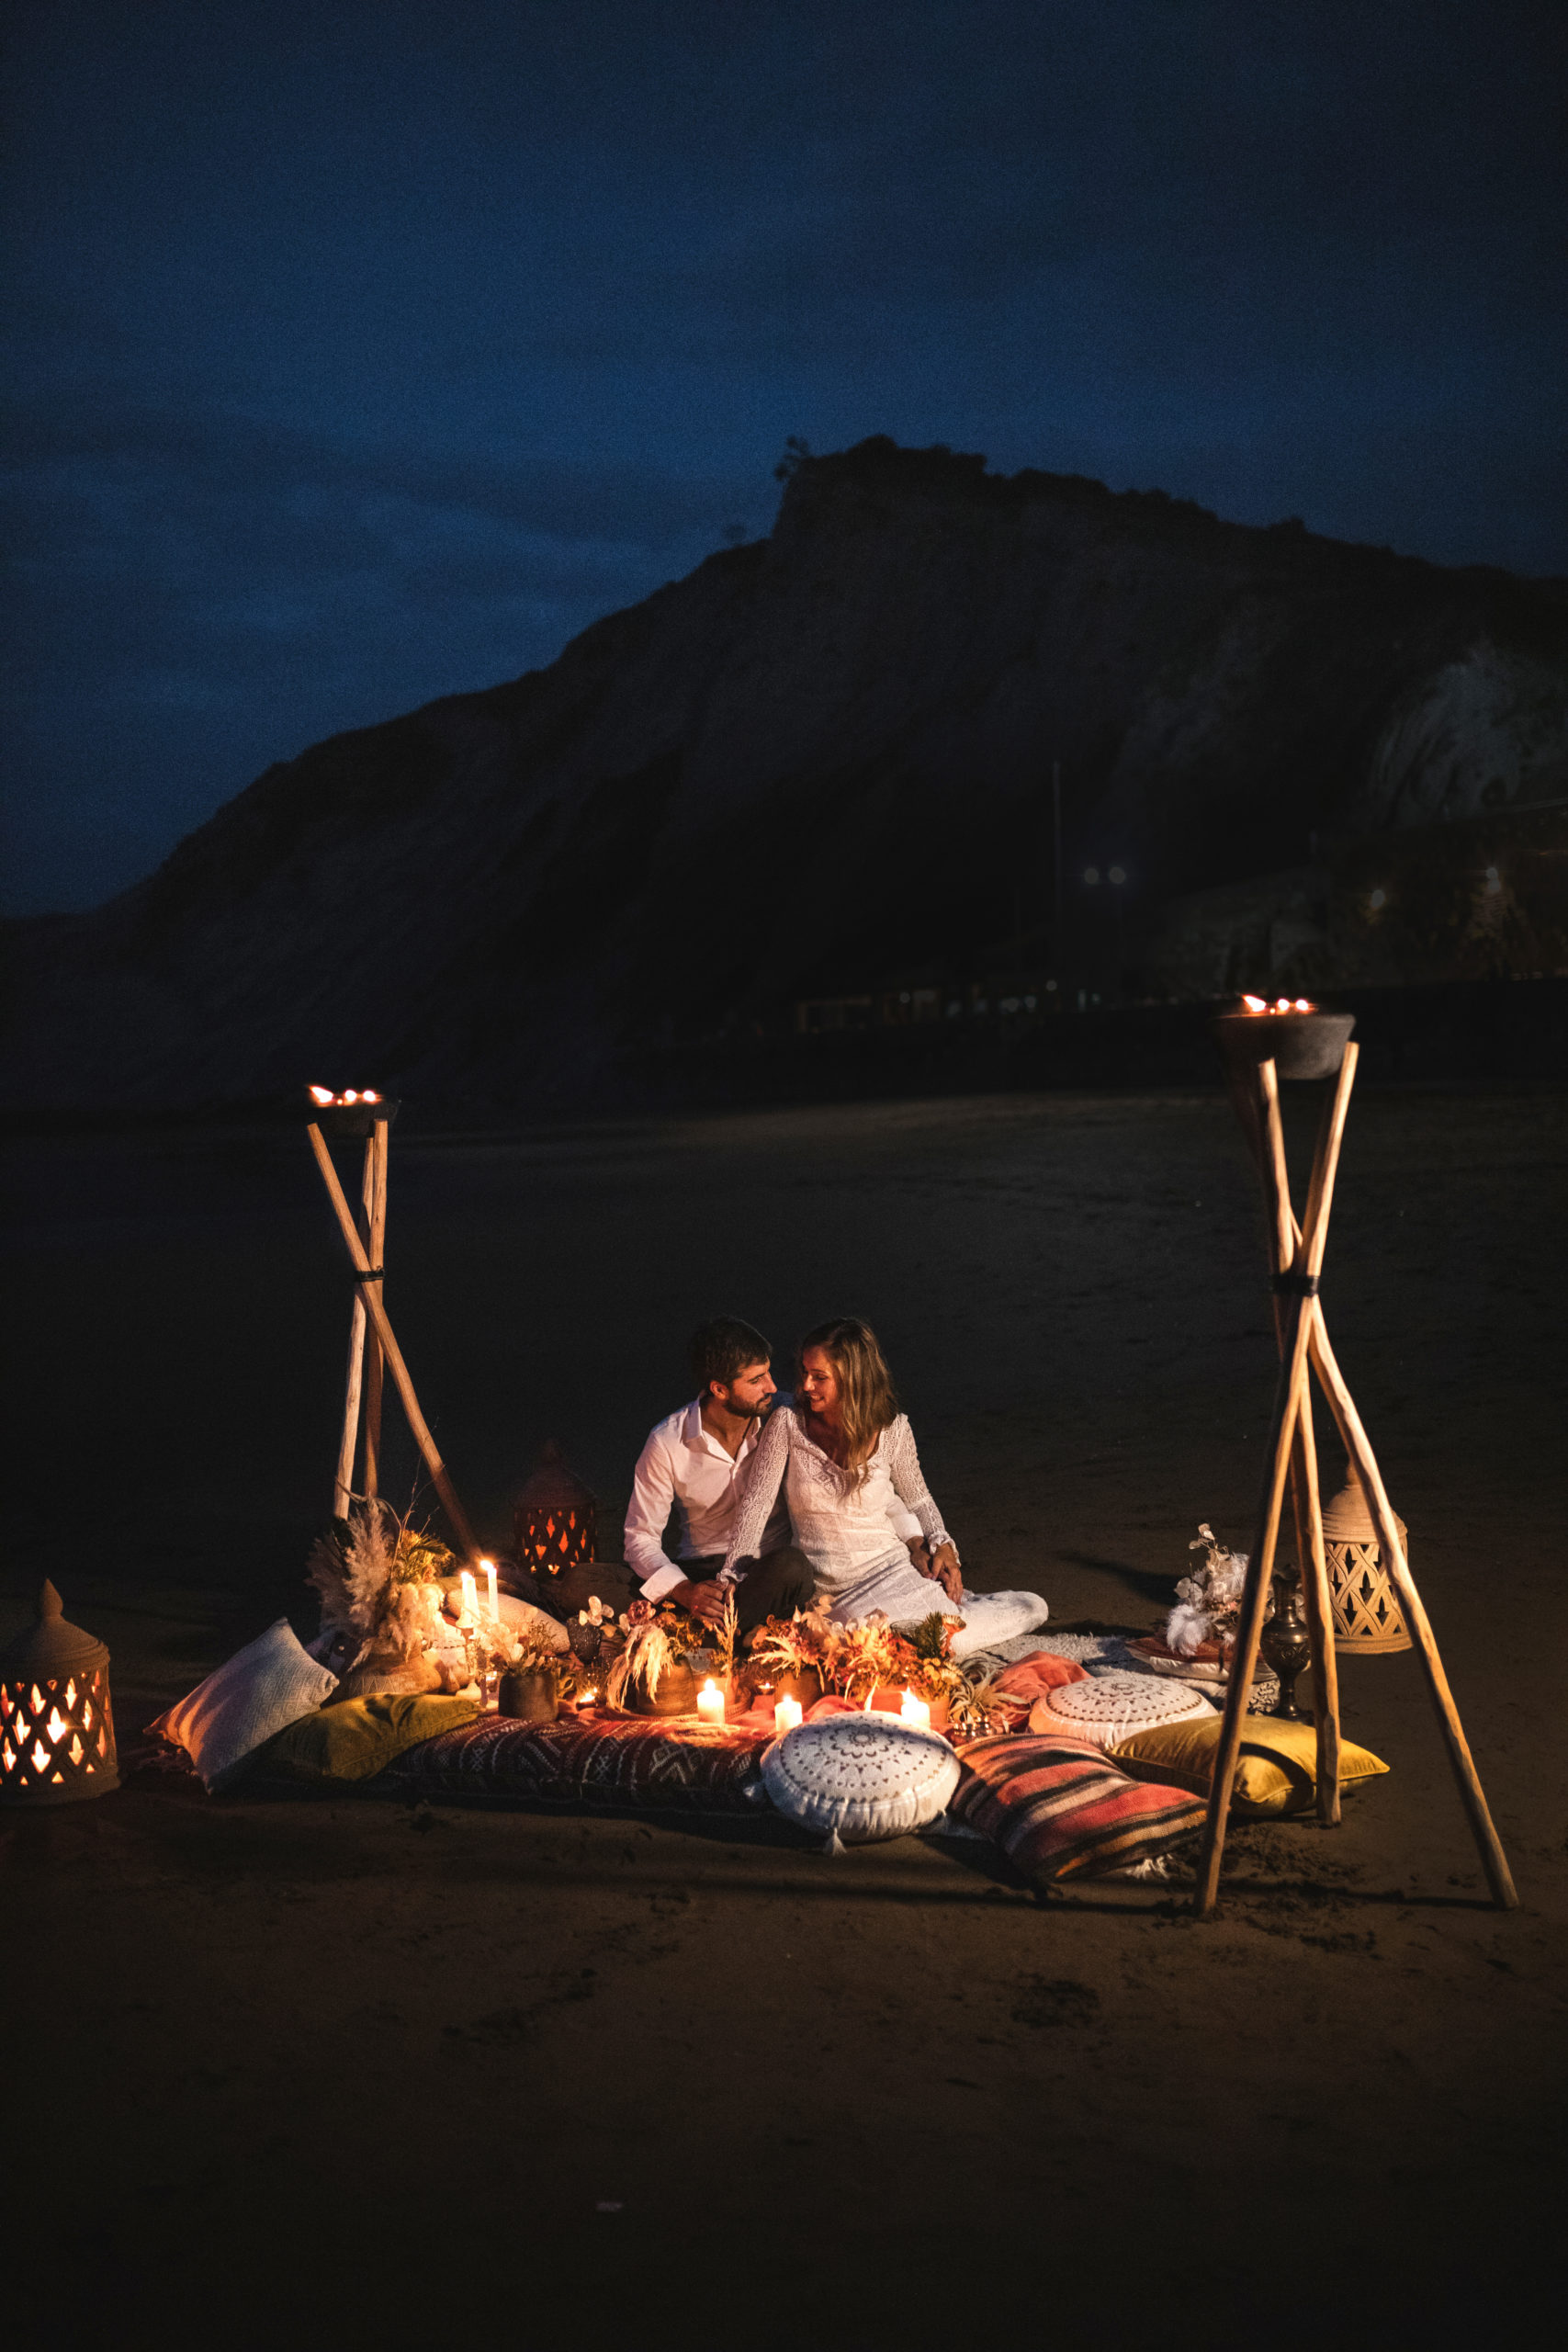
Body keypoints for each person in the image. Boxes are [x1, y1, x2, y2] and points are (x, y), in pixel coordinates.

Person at [720, 1316, 1049, 1659]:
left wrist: (943, 1543)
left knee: (952, 1639)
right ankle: (959, 1609)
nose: (805, 1386)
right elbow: (756, 1504)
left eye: (820, 1377)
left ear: (853, 1380)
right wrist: (732, 1573)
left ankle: (1011, 1605)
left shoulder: (893, 1430)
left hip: (889, 1569)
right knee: (870, 1650)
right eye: (803, 1372)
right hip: (827, 1591)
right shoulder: (787, 1424)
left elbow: (918, 1498)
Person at [624, 1317, 821, 1634]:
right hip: (700, 1571)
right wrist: (685, 1591)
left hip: (766, 1567)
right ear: (719, 1389)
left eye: (768, 1372)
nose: (771, 1386)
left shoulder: (785, 1415)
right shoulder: (667, 1441)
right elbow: (640, 1538)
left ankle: (702, 1636)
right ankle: (726, 1627)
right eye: (756, 1380)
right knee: (587, 1582)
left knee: (794, 1567)